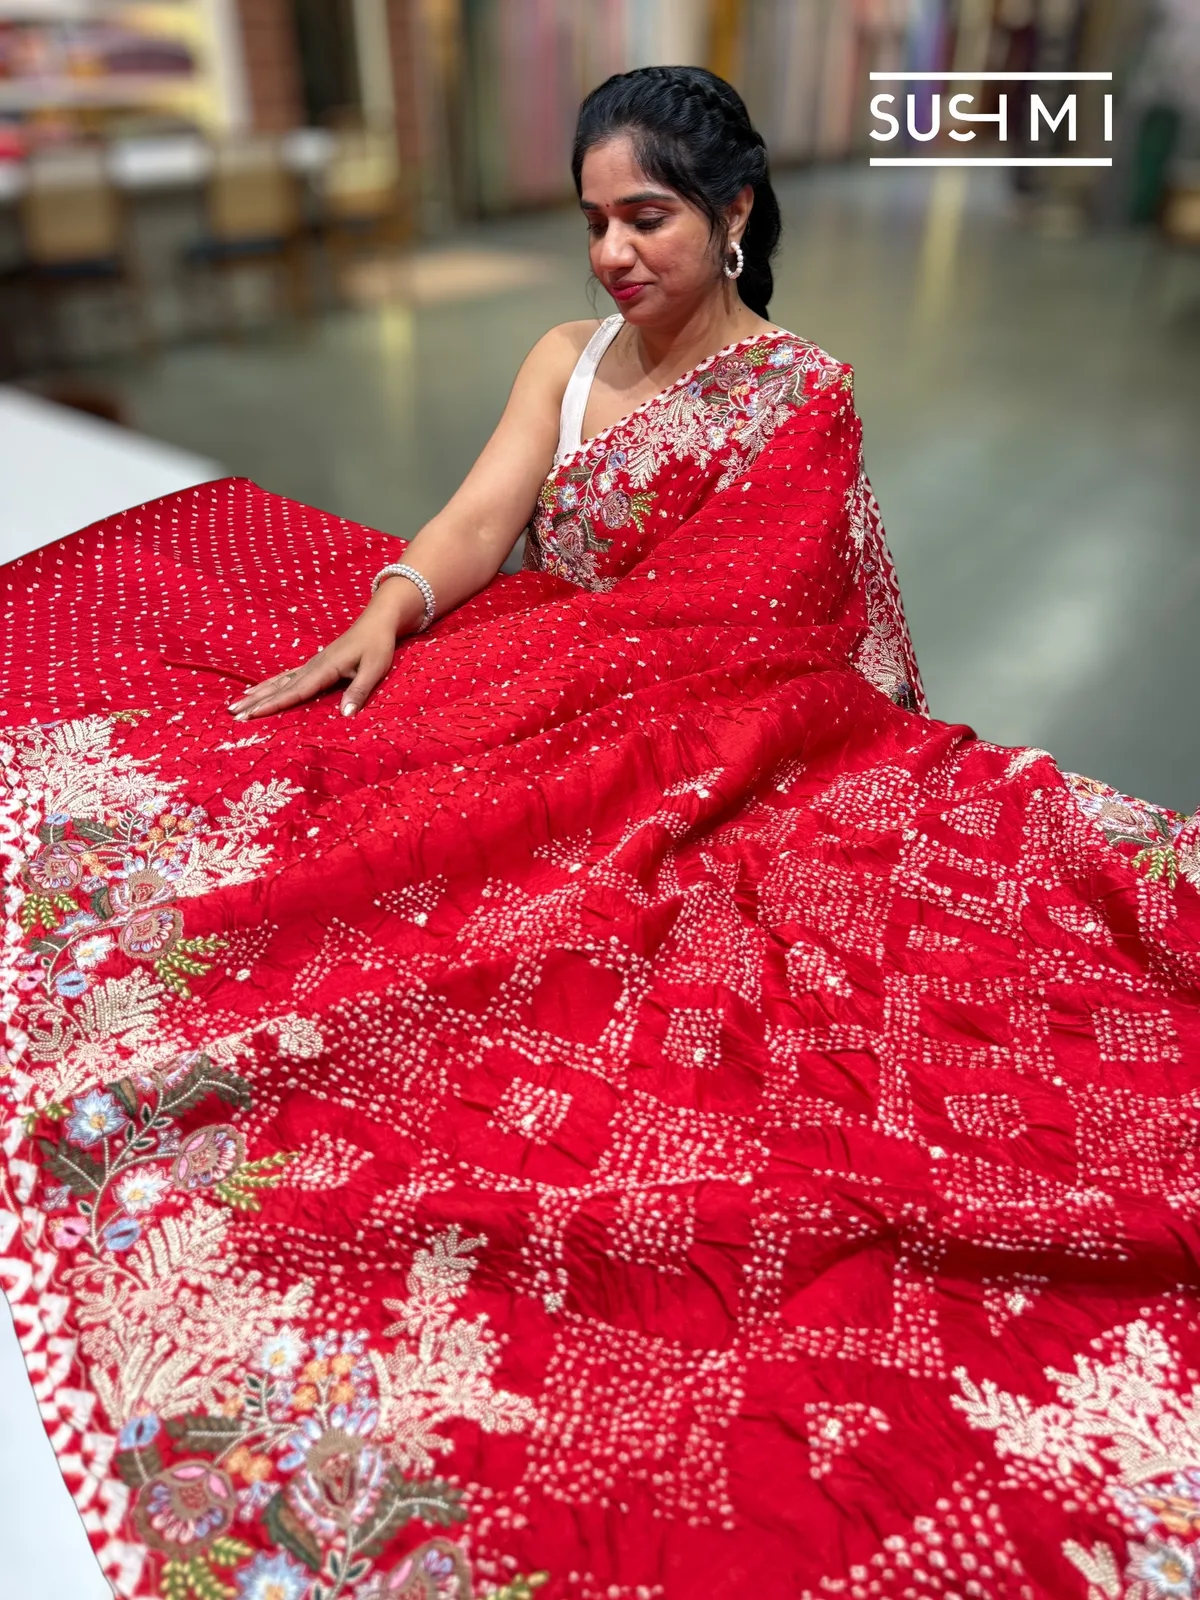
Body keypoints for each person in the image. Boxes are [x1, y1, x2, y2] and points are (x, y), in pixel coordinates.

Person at [2, 65, 1199, 1600]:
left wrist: (597, 686)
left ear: (735, 210)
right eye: (595, 221)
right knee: (305, 841)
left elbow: (771, 628)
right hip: (549, 682)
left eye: (649, 216)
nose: (617, 252)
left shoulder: (800, 392)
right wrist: (392, 612)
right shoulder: (568, 357)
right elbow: (478, 520)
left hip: (705, 733)